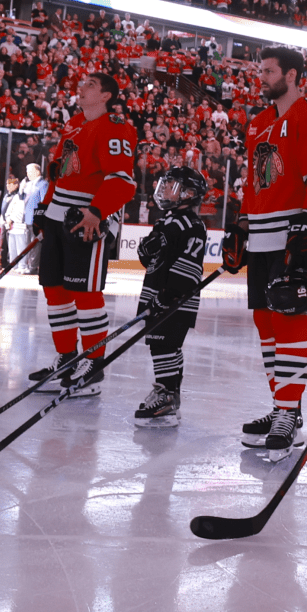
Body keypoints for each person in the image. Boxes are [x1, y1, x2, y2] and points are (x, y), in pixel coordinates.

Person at [234, 47, 307, 451]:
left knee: (290, 318)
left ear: (292, 74)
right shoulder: (258, 122)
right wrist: (241, 225)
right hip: (263, 234)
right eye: (260, 71)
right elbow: (253, 181)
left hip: (298, 231)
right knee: (265, 322)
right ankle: (285, 407)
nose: (261, 77)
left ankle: (286, 411)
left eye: (268, 71)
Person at [27, 73, 136, 396]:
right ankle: (66, 359)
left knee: (86, 294)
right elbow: (57, 173)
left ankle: (93, 366)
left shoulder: (115, 127)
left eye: (90, 84)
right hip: (57, 217)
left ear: (106, 95)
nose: (81, 87)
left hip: (85, 220)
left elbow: (122, 179)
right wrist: (44, 209)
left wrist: (98, 212)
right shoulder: (73, 123)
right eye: (81, 83)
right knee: (55, 291)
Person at [134, 166, 211, 427]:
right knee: (163, 345)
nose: (164, 189)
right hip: (156, 294)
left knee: (164, 345)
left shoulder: (193, 225)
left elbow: (189, 267)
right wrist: (146, 250)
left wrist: (168, 296)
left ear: (188, 193)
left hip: (175, 300)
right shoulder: (165, 220)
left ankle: (166, 394)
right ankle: (170, 394)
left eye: (171, 186)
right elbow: (151, 260)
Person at [0, 174, 31, 265]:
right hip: (5, 222)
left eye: (10, 184)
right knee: (4, 244)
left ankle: (10, 262)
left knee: (11, 244)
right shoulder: (7, 195)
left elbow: (15, 210)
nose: (7, 186)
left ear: (16, 185)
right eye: (7, 184)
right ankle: (3, 261)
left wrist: (10, 220)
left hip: (12, 223)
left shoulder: (17, 196)